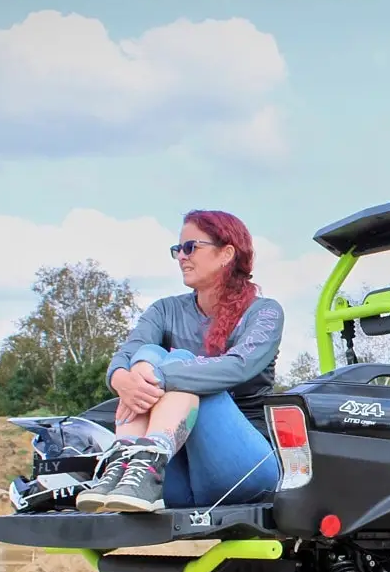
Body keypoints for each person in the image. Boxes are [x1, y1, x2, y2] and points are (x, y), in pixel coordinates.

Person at [77, 210, 284, 513]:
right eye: (177, 250)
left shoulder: (265, 312)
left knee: (178, 362)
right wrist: (125, 381)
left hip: (242, 470)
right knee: (145, 356)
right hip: (175, 479)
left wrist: (156, 375)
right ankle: (127, 460)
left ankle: (148, 458)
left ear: (226, 253)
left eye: (191, 247)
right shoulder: (165, 310)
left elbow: (238, 365)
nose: (181, 257)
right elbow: (126, 355)